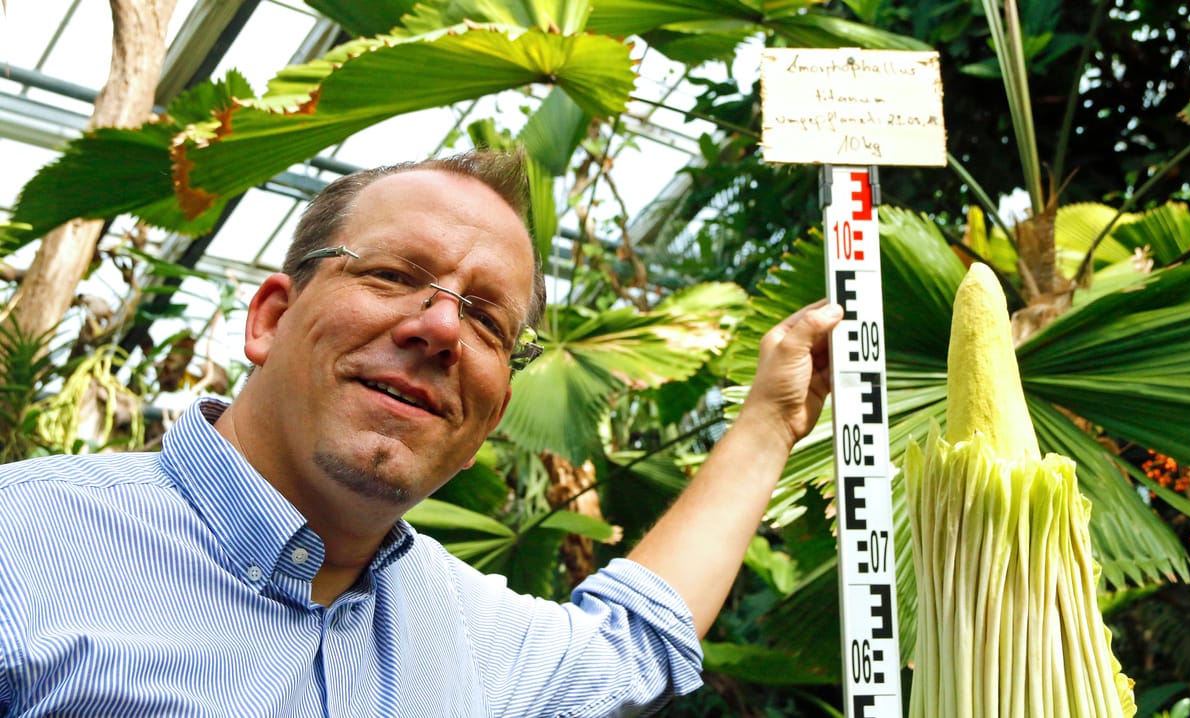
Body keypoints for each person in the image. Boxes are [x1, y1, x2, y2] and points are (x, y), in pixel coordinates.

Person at [0, 150, 843, 717]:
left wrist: (772, 419)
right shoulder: (24, 546)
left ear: (489, 417)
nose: (440, 326)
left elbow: (632, 644)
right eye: (394, 274)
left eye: (485, 318)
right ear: (270, 318)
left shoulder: (473, 637)